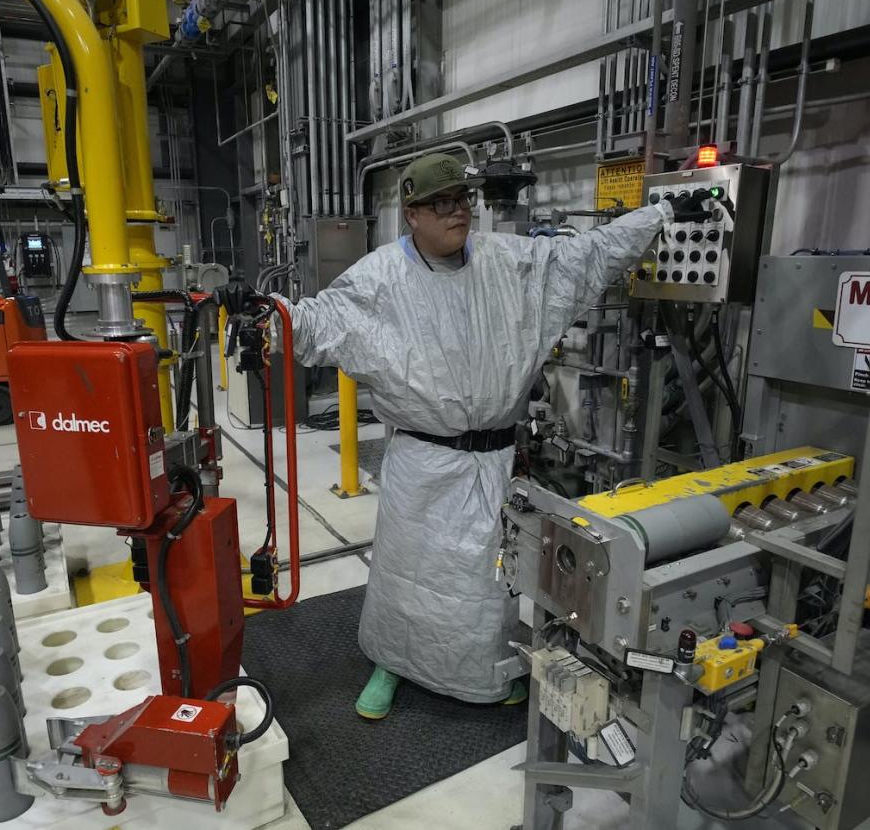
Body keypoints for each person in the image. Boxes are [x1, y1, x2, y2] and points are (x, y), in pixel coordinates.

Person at [219, 153, 705, 719]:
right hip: (422, 467)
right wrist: (265, 314)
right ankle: (391, 662)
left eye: (463, 201)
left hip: (492, 462)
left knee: (483, 585)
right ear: (411, 215)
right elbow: (318, 320)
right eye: (442, 203)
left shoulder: (509, 263)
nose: (458, 213)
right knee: (406, 578)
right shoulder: (381, 278)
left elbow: (588, 255)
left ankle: (484, 672)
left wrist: (661, 213)